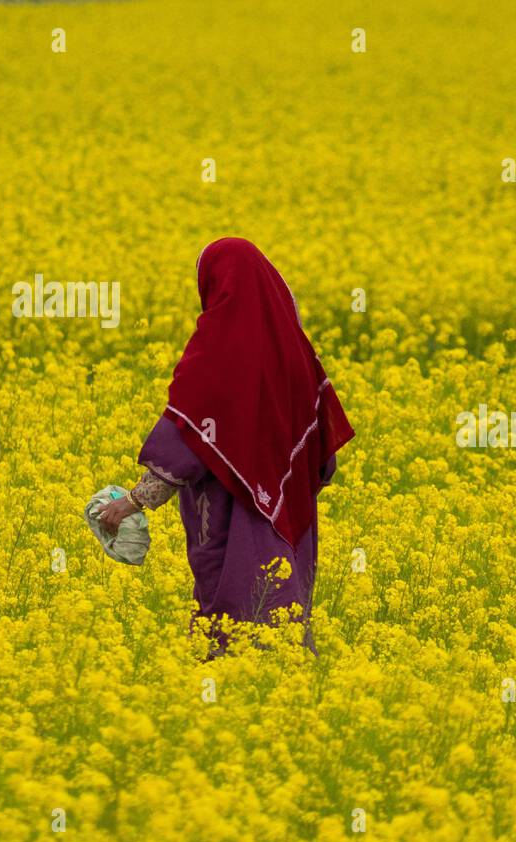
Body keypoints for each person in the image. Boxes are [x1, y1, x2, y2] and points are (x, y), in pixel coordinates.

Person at [99, 237, 354, 657]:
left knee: (235, 617)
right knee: (280, 616)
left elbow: (189, 431)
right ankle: (279, 690)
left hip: (234, 513)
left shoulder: (217, 348)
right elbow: (324, 455)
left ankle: (234, 690)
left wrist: (134, 501)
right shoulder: (293, 350)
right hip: (289, 514)